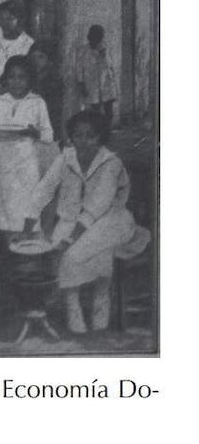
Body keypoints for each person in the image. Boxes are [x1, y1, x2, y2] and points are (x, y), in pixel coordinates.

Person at [20, 110, 138, 333]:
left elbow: (97, 207)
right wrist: (28, 225)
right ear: (71, 136)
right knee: (65, 249)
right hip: (70, 219)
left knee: (77, 251)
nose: (83, 141)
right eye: (78, 135)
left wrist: (71, 238)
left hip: (113, 219)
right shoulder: (65, 158)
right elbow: (43, 190)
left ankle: (100, 297)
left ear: (100, 138)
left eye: (90, 136)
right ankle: (72, 305)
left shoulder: (111, 163)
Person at [0, 55, 54, 235]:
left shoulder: (37, 102)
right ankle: (7, 245)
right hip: (0, 158)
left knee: (22, 205)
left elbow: (48, 136)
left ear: (30, 80)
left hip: (25, 159)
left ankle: (24, 243)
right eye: (12, 77)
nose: (16, 82)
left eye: (22, 77)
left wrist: (33, 132)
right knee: (2, 206)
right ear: (5, 79)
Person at [0, 0, 34, 94]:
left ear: (18, 19)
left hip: (19, 95)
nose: (5, 23)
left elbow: (31, 76)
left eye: (10, 19)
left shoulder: (29, 43)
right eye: (2, 19)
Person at [75, 24, 117, 127]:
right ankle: (98, 132)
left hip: (106, 84)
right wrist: (81, 84)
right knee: (95, 110)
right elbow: (79, 68)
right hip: (91, 85)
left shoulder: (105, 49)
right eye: (95, 37)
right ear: (90, 37)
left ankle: (107, 131)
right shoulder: (83, 51)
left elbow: (110, 66)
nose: (97, 40)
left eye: (99, 37)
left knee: (108, 111)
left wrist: (103, 54)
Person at [29, 40, 65, 141]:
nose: (36, 61)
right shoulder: (30, 80)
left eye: (41, 57)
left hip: (51, 127)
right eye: (33, 58)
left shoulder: (55, 81)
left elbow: (55, 112)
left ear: (49, 59)